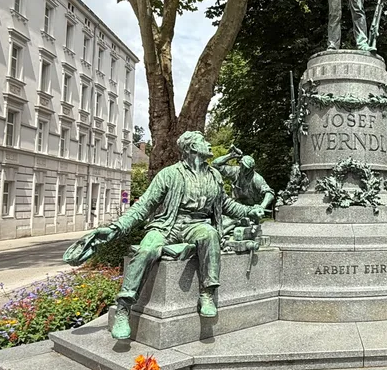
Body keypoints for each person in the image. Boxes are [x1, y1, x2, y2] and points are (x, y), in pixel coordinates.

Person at [91, 131, 264, 340]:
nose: (209, 144)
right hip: (168, 225)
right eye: (203, 141)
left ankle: (207, 294)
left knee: (209, 234)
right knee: (147, 249)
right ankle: (123, 308)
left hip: (197, 225)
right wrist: (115, 228)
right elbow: (144, 206)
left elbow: (226, 204)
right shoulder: (169, 174)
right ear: (191, 148)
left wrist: (249, 211)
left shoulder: (214, 176)